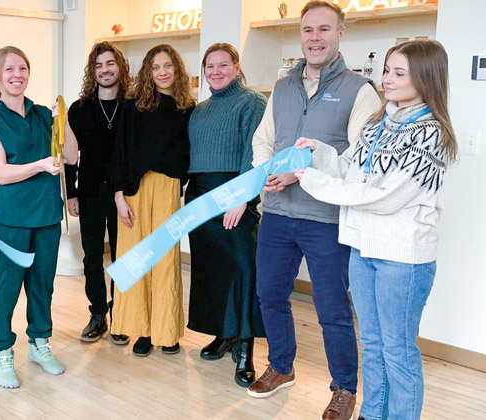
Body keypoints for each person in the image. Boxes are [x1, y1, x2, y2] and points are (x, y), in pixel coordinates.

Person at [295, 40, 456, 420]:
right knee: (371, 344)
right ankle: (372, 414)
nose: (388, 80)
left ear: (426, 78)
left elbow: (385, 197)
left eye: (400, 73)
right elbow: (348, 170)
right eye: (387, 70)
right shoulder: (378, 122)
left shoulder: (431, 133)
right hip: (362, 249)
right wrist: (317, 151)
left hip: (402, 259)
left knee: (398, 350)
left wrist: (314, 183)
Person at [248, 2, 382, 419]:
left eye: (324, 29)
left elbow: (359, 160)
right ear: (300, 35)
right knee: (269, 293)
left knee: (332, 309)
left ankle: (344, 388)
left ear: (341, 33)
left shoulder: (360, 91)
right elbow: (263, 140)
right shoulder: (283, 86)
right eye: (308, 30)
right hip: (276, 214)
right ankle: (282, 367)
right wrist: (265, 172)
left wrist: (301, 174)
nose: (315, 38)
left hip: (324, 219)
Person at [0, 46, 78, 389]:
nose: (17, 75)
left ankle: (39, 344)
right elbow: (1, 173)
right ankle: (3, 352)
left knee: (41, 286)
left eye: (22, 68)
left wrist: (62, 121)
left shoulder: (42, 114)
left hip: (46, 216)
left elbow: (72, 155)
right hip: (9, 219)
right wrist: (40, 165)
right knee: (4, 290)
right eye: (9, 70)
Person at [186, 43, 266, 387]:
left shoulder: (252, 102)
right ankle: (224, 334)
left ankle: (245, 345)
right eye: (210, 67)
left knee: (243, 268)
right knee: (211, 268)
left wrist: (244, 200)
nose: (216, 72)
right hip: (200, 196)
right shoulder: (199, 109)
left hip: (234, 194)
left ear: (236, 66)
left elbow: (256, 153)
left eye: (223, 65)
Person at [110, 44, 195, 357]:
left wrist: (181, 182)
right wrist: (118, 195)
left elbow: (188, 152)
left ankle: (166, 330)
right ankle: (143, 331)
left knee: (165, 260)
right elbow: (119, 150)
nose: (162, 72)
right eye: (156, 66)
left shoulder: (187, 107)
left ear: (177, 69)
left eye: (168, 65)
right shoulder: (134, 105)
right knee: (137, 259)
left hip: (168, 188)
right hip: (134, 190)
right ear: (148, 71)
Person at [63, 41, 132, 344]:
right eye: (98, 65)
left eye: (110, 63)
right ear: (93, 71)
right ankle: (98, 314)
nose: (105, 70)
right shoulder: (79, 109)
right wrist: (71, 193)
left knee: (123, 255)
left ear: (120, 67)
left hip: (125, 195)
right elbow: (70, 156)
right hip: (89, 192)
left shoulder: (134, 106)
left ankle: (122, 314)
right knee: (92, 256)